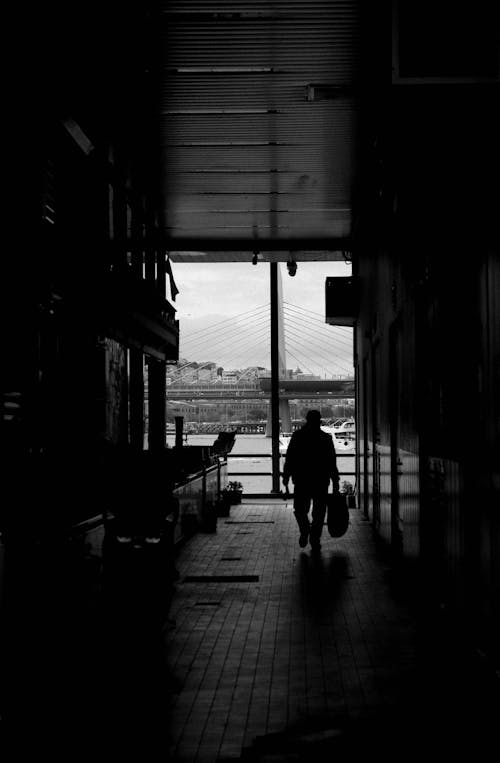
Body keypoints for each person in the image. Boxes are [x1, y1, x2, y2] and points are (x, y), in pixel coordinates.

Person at [282, 410, 340, 550]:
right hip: (321, 480)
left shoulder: (298, 436)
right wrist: (335, 481)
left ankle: (305, 530)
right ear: (319, 420)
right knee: (319, 513)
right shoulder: (325, 438)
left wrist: (286, 476)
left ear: (306, 419)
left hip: (302, 480)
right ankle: (314, 538)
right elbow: (331, 461)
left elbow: (290, 458)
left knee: (300, 510)